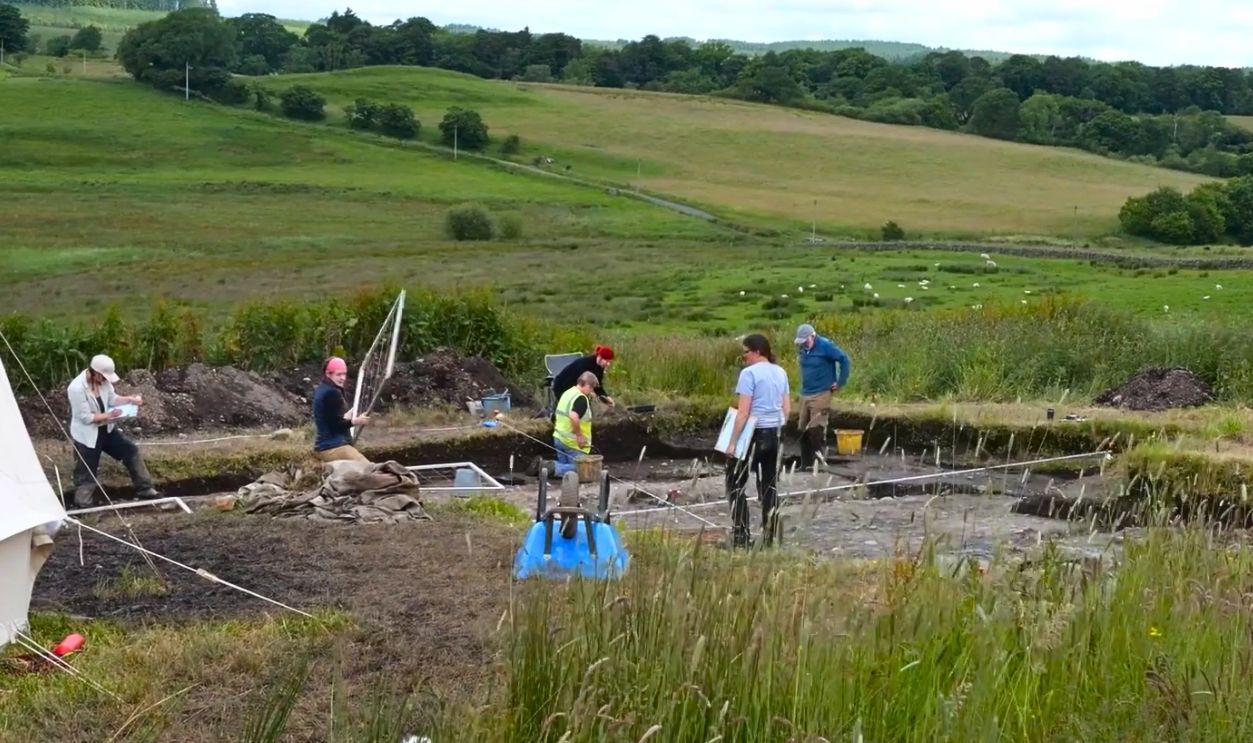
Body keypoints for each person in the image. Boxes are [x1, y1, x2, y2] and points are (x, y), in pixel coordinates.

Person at [67, 354, 158, 509]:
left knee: (130, 451)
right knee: (86, 470)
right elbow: (86, 418)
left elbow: (112, 399)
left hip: (107, 430)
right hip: (87, 434)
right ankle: (83, 504)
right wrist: (110, 415)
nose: (105, 381)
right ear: (95, 373)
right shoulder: (76, 389)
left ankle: (145, 489)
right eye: (103, 377)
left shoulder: (103, 383)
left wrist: (129, 399)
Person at [725, 334, 790, 548]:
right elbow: (786, 409)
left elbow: (743, 412)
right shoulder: (780, 372)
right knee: (769, 486)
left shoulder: (749, 374)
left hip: (754, 433)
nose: (743, 358)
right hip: (776, 433)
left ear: (757, 351)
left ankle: (741, 536)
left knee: (735, 483)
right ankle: (771, 538)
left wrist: (732, 442)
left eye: (745, 353)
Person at [793, 323, 851, 468]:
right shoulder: (803, 349)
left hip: (821, 393)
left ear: (813, 336)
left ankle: (819, 464)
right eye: (801, 342)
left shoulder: (825, 346)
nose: (804, 344)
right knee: (802, 429)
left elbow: (844, 359)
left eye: (806, 341)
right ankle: (805, 464)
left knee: (816, 429)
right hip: (805, 393)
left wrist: (840, 382)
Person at [312, 356, 371, 463]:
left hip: (325, 445)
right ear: (328, 374)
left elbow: (330, 418)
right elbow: (336, 426)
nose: (343, 378)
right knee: (369, 468)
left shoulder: (322, 389)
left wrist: (346, 416)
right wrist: (355, 421)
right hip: (332, 447)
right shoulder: (332, 393)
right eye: (338, 374)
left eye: (344, 374)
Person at [552, 371, 599, 478]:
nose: (592, 391)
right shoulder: (581, 398)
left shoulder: (568, 393)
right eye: (591, 388)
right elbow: (573, 416)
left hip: (559, 438)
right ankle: (552, 467)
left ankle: (554, 468)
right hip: (573, 444)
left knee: (567, 475)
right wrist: (579, 436)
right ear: (586, 384)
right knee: (582, 470)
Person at [551, 345, 616, 413]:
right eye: (607, 361)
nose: (608, 364)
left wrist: (606, 397)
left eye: (610, 362)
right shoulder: (584, 364)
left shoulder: (599, 367)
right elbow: (573, 382)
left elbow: (597, 386)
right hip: (562, 386)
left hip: (574, 389)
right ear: (600, 358)